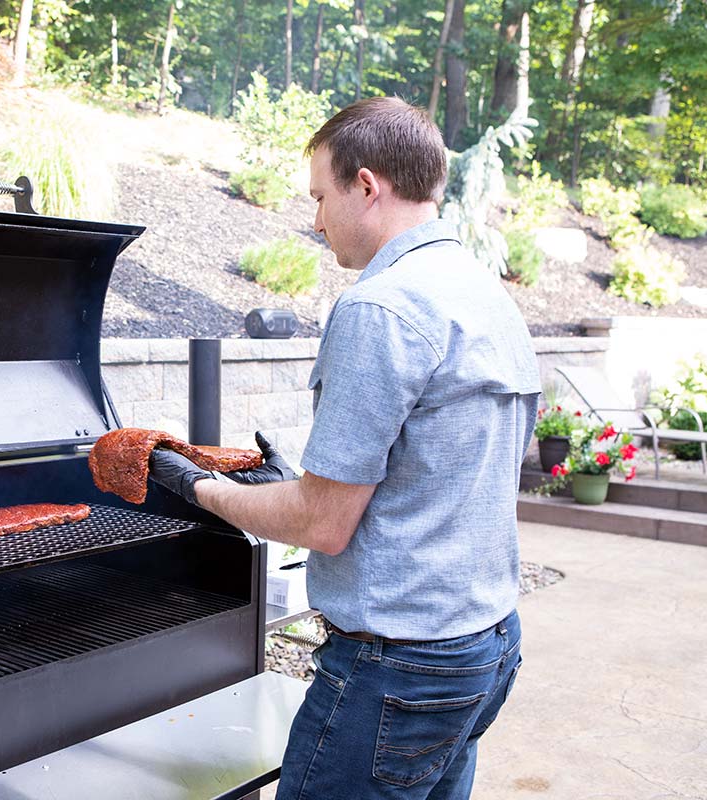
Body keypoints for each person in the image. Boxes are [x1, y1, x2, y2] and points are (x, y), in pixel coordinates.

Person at [149, 97, 541, 799]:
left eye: (321, 196)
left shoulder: (381, 307)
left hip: (399, 669)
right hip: (484, 646)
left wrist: (197, 488)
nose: (315, 218)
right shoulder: (484, 295)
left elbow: (323, 526)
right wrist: (291, 481)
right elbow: (441, 472)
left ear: (367, 186)